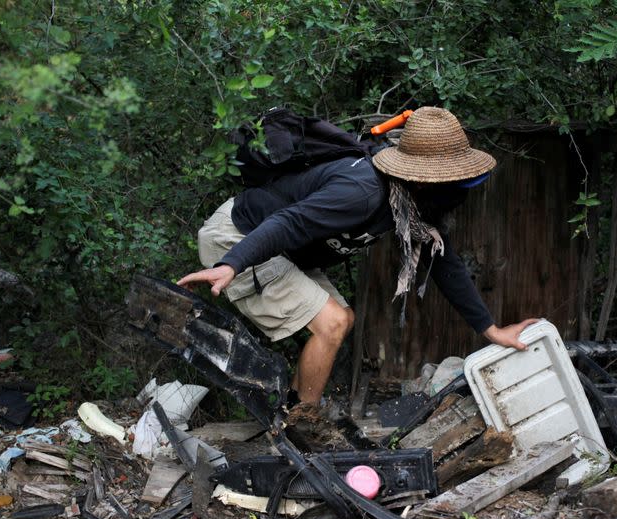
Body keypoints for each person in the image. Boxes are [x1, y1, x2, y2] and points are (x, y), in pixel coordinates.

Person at [177, 107, 538, 406]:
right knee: (330, 324)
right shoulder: (364, 191)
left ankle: (292, 413)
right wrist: (232, 264)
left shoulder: (410, 205)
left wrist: (491, 331)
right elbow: (288, 222)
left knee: (342, 320)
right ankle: (302, 432)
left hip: (278, 248)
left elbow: (443, 261)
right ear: (427, 179)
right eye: (453, 180)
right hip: (240, 237)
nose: (458, 190)